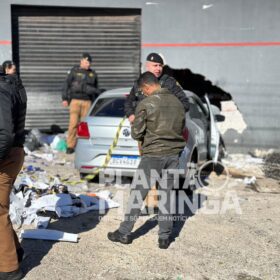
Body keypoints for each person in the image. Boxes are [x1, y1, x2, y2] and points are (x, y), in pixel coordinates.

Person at [108, 72, 186, 249]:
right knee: (167, 195)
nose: (143, 94)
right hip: (173, 155)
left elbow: (137, 133)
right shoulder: (178, 103)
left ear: (147, 86)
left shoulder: (146, 104)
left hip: (152, 155)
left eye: (143, 91)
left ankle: (124, 232)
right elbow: (181, 128)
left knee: (137, 194)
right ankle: (164, 237)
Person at [0, 64, 27, 280]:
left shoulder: (1, 89)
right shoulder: (11, 85)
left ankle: (9, 270)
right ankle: (15, 252)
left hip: (5, 156)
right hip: (13, 153)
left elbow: (4, 134)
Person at [124, 52, 189, 124]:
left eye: (160, 66)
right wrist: (131, 114)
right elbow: (128, 102)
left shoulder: (169, 82)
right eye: (155, 65)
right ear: (147, 66)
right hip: (142, 127)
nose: (158, 68)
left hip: (163, 127)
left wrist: (169, 115)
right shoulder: (139, 82)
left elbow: (185, 103)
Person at [62, 53, 99, 154]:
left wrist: (96, 103)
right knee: (73, 124)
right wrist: (65, 98)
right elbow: (66, 85)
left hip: (87, 102)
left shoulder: (93, 74)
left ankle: (83, 146)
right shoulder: (74, 71)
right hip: (75, 101)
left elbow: (96, 89)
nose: (88, 64)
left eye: (89, 63)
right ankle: (70, 146)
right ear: (81, 61)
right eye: (86, 62)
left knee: (84, 126)